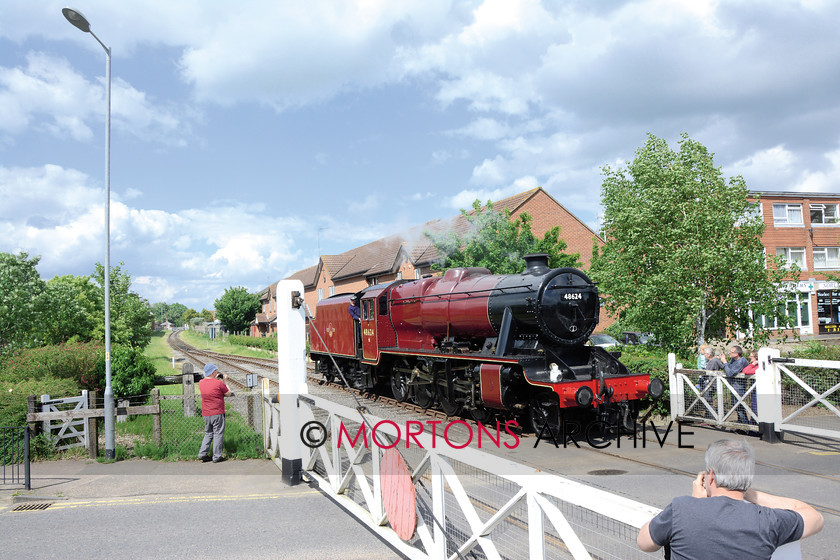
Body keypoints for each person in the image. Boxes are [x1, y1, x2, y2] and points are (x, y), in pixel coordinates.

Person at [637, 439, 823, 560]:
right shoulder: (767, 520)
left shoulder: (681, 509)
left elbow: (644, 542)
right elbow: (815, 518)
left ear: (710, 476)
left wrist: (695, 503)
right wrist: (750, 493)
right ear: (747, 479)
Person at [198, 363, 234, 463]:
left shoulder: (201, 382)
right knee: (218, 434)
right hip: (217, 412)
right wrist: (225, 381)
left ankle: (202, 454)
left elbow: (211, 388)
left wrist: (216, 379)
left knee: (208, 433)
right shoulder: (219, 383)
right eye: (217, 371)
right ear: (213, 372)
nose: (218, 372)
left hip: (206, 413)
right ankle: (217, 456)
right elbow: (228, 393)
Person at [724, 345, 750, 424]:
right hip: (734, 385)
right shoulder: (733, 360)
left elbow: (730, 373)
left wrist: (725, 362)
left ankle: (745, 425)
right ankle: (741, 423)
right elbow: (728, 367)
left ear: (736, 354)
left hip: (739, 386)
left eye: (731, 352)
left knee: (739, 406)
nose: (729, 353)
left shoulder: (741, 361)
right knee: (736, 406)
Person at [741, 350, 760, 420]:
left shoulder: (758, 367)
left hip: (758, 391)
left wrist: (753, 364)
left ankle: (756, 426)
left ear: (756, 357)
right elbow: (745, 370)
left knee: (756, 408)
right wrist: (753, 364)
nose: (749, 357)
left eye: (751, 356)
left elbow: (746, 371)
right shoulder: (754, 365)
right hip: (754, 390)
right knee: (754, 407)